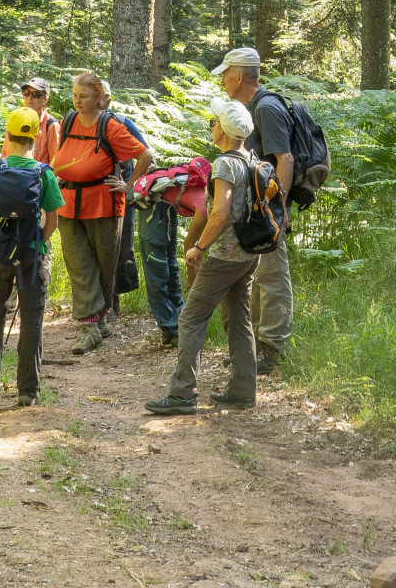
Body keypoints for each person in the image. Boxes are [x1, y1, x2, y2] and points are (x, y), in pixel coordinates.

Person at [144, 98, 262, 416]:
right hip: (250, 253)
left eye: (213, 122)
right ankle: (242, 391)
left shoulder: (224, 164)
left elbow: (220, 212)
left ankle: (182, 394)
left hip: (225, 255)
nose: (210, 126)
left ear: (223, 129)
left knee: (190, 317)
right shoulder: (251, 159)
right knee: (239, 319)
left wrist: (199, 247)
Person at [51, 71, 149, 354]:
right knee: (78, 262)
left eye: (82, 96)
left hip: (103, 203)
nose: (77, 101)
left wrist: (128, 187)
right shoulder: (68, 121)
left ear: (97, 98)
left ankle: (101, 318)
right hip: (69, 202)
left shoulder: (110, 126)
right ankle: (89, 326)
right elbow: (63, 156)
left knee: (105, 263)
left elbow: (145, 155)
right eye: (74, 96)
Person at [0, 108, 62, 410]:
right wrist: (38, 244)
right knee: (32, 319)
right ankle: (28, 392)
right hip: (31, 256)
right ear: (37, 137)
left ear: (7, 136)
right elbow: (53, 219)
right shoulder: (44, 173)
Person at [216, 47, 291, 375]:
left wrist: (279, 209)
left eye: (224, 73)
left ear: (239, 76)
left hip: (268, 210)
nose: (222, 80)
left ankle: (272, 350)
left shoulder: (268, 107)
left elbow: (284, 159)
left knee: (272, 276)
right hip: (255, 210)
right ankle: (253, 347)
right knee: (255, 278)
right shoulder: (248, 109)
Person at [102, 80, 180, 346]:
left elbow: (148, 158)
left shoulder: (121, 122)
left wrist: (129, 185)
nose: (103, 102)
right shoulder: (77, 123)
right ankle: (101, 311)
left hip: (126, 198)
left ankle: (170, 323)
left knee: (124, 251)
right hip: (90, 200)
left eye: (105, 97)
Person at [3, 77, 60, 163]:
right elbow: (4, 153)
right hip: (10, 173)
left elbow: (55, 162)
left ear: (45, 98)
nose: (30, 98)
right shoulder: (16, 119)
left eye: (36, 95)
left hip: (35, 174)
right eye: (26, 93)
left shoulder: (51, 125)